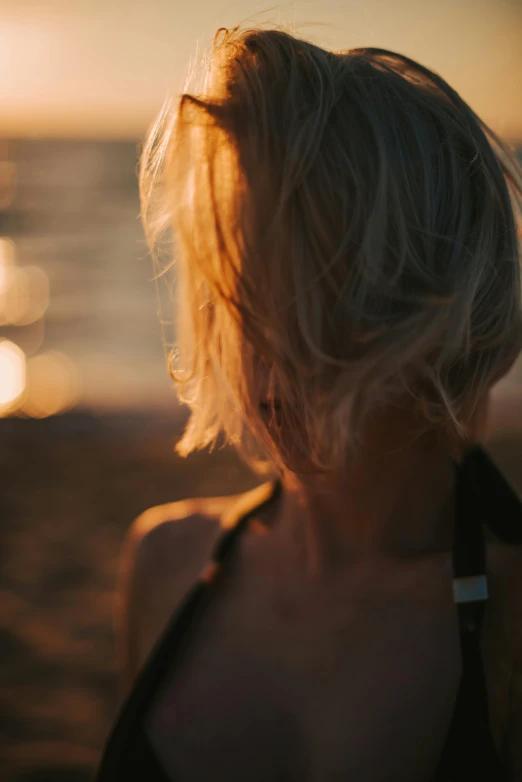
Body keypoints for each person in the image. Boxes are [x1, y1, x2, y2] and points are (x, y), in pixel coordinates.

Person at [95, 25, 522, 781]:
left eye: (316, 290)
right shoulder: (166, 563)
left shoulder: (509, 625)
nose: (266, 356)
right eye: (244, 293)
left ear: (431, 302)